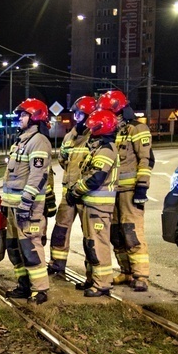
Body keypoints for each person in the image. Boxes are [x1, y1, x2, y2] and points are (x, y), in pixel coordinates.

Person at [96, 89, 154, 292]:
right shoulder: (113, 130)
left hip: (130, 192)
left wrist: (141, 188)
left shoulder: (138, 129)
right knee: (116, 234)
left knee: (132, 233)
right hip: (113, 192)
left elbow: (146, 160)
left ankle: (141, 275)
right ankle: (126, 271)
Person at [1, 98, 53, 305]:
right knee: (15, 247)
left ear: (35, 116)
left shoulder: (38, 141)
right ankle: (24, 285)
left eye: (23, 115)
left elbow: (37, 176)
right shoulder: (21, 141)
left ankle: (40, 290)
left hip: (27, 207)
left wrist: (26, 203)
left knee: (30, 247)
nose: (19, 118)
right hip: (14, 206)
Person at [65, 109, 120, 296]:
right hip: (91, 205)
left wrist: (76, 191)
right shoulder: (98, 147)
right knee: (90, 244)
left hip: (99, 207)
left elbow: (95, 178)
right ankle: (92, 279)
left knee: (98, 245)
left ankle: (103, 283)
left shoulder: (106, 149)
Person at [48, 95, 96, 275]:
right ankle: (56, 265)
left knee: (90, 234)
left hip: (86, 193)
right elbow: (62, 159)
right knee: (60, 228)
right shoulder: (70, 135)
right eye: (75, 114)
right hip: (68, 191)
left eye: (79, 114)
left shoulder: (94, 137)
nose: (76, 118)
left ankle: (92, 272)